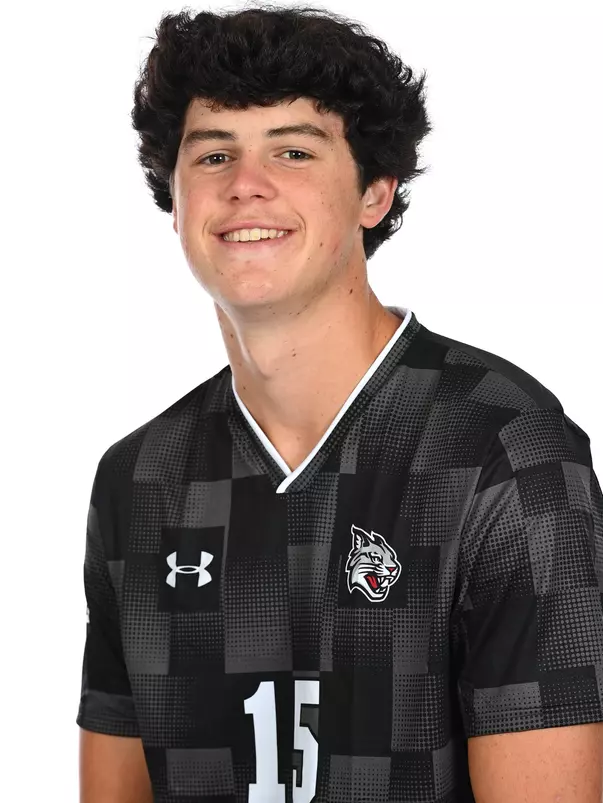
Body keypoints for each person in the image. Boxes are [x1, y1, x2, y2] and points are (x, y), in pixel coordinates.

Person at [76, 5, 603, 802]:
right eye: (213, 154)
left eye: (293, 150)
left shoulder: (505, 450)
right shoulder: (138, 478)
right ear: (175, 204)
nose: (245, 184)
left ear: (374, 194)